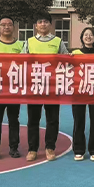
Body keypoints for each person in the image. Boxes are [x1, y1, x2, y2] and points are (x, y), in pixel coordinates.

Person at [21, 12, 69, 162]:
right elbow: (21, 61)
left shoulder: (58, 41)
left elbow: (66, 60)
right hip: (34, 86)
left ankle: (50, 147)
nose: (43, 24)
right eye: (40, 22)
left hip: (52, 87)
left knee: (52, 119)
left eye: (46, 22)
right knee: (33, 119)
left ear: (50, 24)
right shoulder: (29, 42)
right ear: (36, 25)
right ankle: (32, 149)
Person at [0, 16, 23, 160]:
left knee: (14, 120)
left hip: (14, 88)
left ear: (14, 27)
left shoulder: (21, 45)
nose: (6, 27)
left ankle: (14, 148)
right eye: (3, 24)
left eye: (9, 24)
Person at [70, 28, 94, 161]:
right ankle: (79, 149)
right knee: (79, 121)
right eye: (86, 35)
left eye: (91, 35)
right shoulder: (75, 54)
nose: (88, 37)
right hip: (79, 91)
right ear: (82, 38)